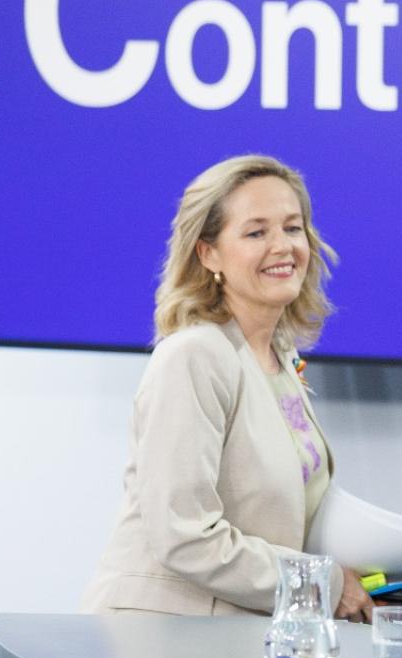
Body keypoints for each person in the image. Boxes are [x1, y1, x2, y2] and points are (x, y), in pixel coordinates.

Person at [81, 155, 375, 622]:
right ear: (208, 253)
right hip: (162, 641)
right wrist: (322, 583)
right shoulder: (194, 356)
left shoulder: (278, 358)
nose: (282, 246)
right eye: (256, 232)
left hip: (237, 642)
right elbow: (186, 536)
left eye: (293, 228)